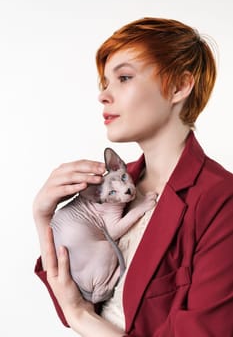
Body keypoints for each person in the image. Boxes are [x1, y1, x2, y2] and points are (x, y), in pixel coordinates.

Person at [33, 17, 233, 336]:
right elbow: (76, 296)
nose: (104, 95)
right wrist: (42, 215)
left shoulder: (220, 201)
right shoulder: (112, 187)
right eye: (104, 84)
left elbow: (80, 313)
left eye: (124, 77)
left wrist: (80, 317)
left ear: (180, 86)